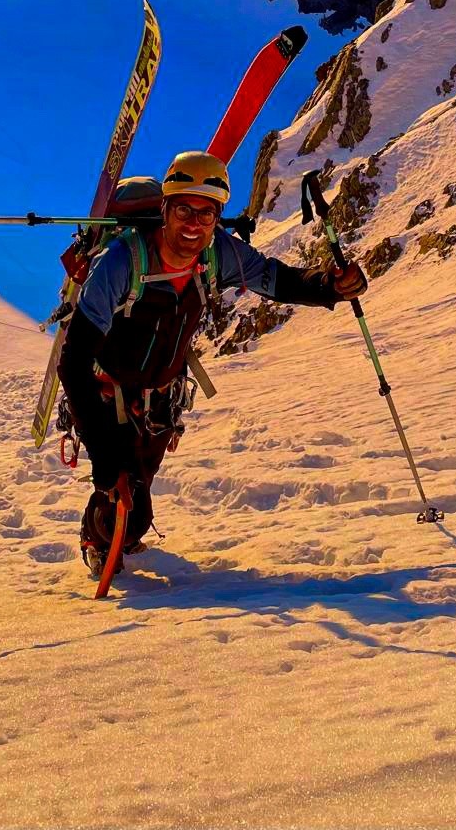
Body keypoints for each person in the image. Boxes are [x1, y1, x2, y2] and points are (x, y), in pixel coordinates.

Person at [57, 149, 368, 577]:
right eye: (184, 210)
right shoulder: (121, 263)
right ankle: (98, 536)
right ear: (165, 209)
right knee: (120, 493)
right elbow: (74, 362)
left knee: (138, 493)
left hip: (160, 398)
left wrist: (329, 286)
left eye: (206, 214)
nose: (194, 224)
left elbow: (276, 279)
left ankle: (124, 530)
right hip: (108, 392)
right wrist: (104, 458)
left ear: (217, 218)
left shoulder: (219, 253)